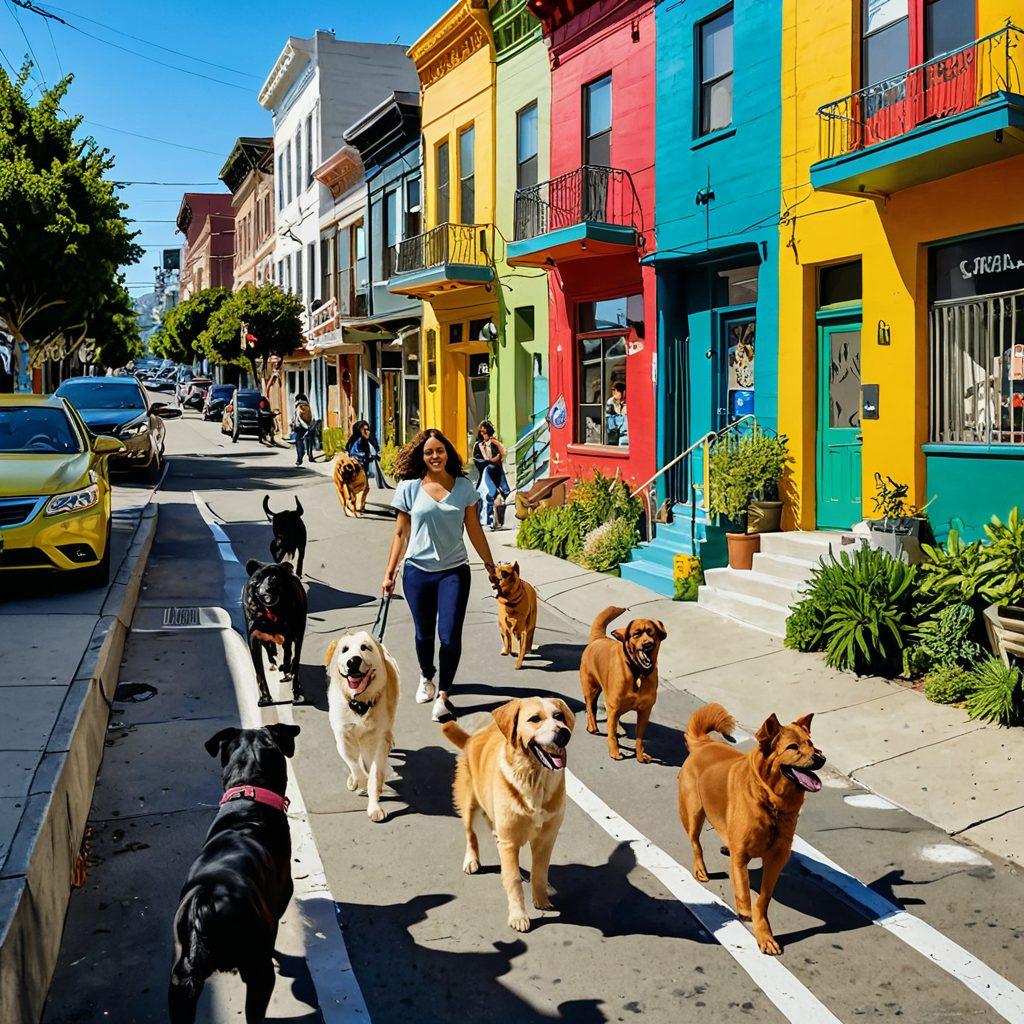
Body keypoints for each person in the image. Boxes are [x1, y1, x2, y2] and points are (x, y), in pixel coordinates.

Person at [382, 429, 498, 722]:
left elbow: (474, 530)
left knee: (449, 636)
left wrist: (489, 564)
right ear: (422, 457)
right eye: (429, 452)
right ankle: (426, 675)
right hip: (417, 572)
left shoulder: (464, 488)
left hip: (454, 572)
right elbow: (400, 533)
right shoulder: (409, 488)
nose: (435, 456)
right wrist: (390, 573)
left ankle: (443, 695)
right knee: (423, 634)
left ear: (449, 453)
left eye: (440, 450)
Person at [471, 420, 510, 528]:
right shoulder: (478, 445)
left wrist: (496, 443)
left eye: (486, 432)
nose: (484, 435)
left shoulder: (495, 443)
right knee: (490, 494)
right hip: (486, 472)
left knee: (504, 493)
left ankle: (498, 522)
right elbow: (477, 459)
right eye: (482, 433)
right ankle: (488, 521)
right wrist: (488, 461)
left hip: (497, 471)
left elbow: (503, 453)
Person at [347, 420, 389, 488]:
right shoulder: (358, 440)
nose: (367, 432)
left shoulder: (367, 439)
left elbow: (374, 450)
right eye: (365, 430)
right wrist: (366, 455)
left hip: (365, 466)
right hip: (358, 467)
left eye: (368, 429)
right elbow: (353, 452)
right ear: (359, 430)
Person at [292, 393, 315, 465]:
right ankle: (310, 455)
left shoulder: (299, 407)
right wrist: (310, 426)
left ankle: (299, 458)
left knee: (298, 441)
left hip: (301, 428)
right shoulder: (309, 406)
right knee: (310, 441)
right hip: (310, 426)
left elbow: (298, 418)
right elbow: (313, 417)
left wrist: (305, 426)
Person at [605, 380, 628, 446]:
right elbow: (610, 423)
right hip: (619, 435)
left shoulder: (627, 401)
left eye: (616, 391)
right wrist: (622, 416)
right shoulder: (611, 402)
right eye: (613, 391)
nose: (614, 394)